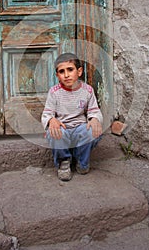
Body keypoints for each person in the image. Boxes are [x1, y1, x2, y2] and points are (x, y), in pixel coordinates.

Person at [41, 53, 103, 181]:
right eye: (61, 71)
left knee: (92, 131)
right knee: (55, 132)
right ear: (57, 75)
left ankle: (81, 160)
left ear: (79, 71)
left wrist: (94, 119)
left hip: (79, 128)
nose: (66, 75)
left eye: (70, 69)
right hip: (63, 128)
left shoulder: (87, 90)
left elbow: (94, 111)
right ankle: (64, 161)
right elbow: (47, 114)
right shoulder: (54, 92)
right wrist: (51, 120)